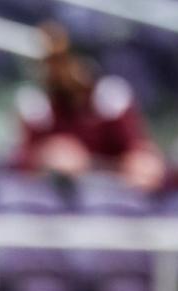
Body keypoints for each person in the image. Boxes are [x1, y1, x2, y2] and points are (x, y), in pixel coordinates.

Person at [13, 22, 169, 192]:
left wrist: (135, 163)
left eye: (62, 60)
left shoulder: (110, 97)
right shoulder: (39, 103)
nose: (58, 70)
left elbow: (137, 150)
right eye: (51, 62)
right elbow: (20, 161)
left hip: (112, 191)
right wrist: (44, 156)